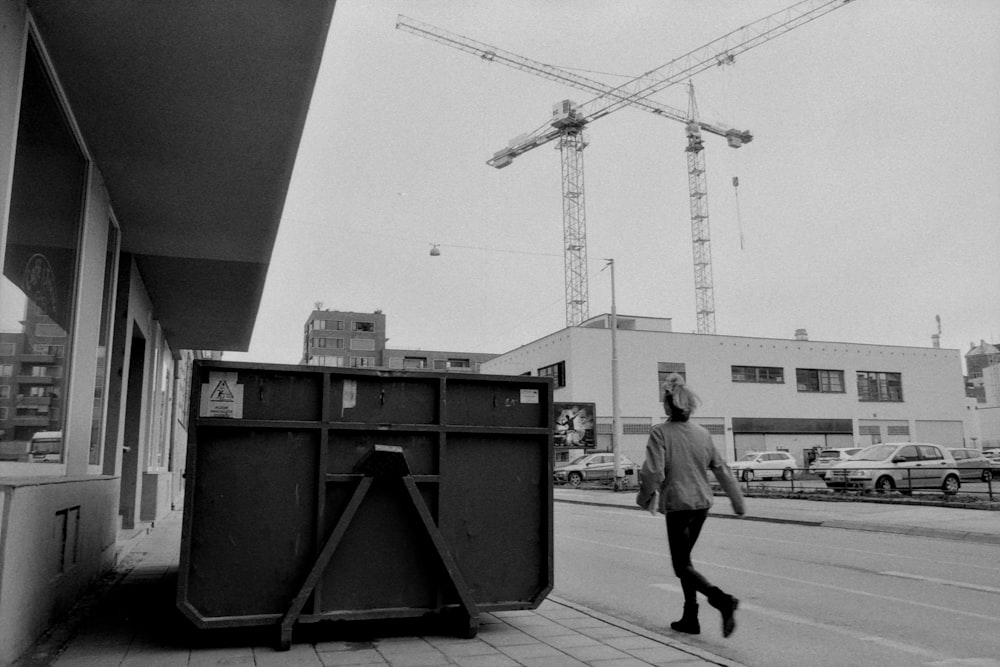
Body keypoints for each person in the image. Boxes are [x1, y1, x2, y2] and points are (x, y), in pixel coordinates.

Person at [636, 373, 745, 638]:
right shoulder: (703, 434)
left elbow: (652, 471)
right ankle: (690, 618)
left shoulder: (660, 432)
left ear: (666, 406)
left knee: (680, 565)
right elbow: (721, 469)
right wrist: (737, 501)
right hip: (701, 505)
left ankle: (721, 600)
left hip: (678, 505)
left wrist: (643, 498)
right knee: (686, 561)